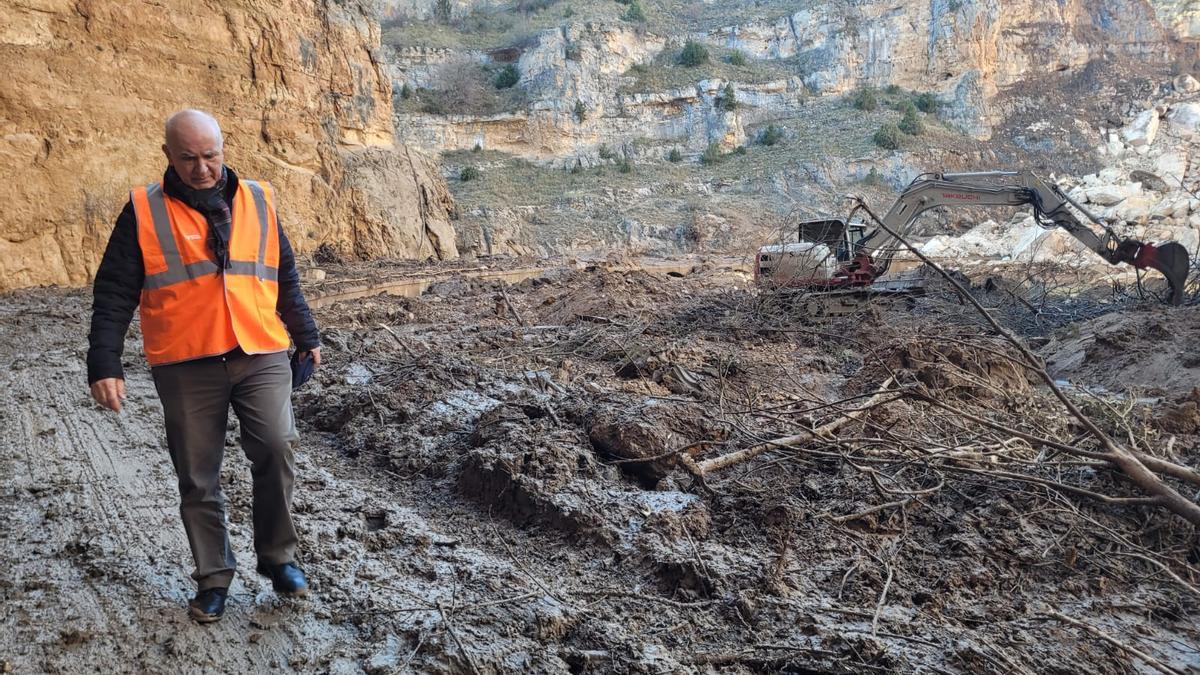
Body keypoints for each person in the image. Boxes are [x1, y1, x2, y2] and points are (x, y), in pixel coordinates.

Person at [87, 109, 322, 623]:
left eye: (210, 156)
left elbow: (283, 274)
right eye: (189, 158)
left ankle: (280, 559)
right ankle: (214, 579)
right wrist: (104, 362)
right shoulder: (143, 211)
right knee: (197, 477)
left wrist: (305, 336)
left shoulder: (257, 199)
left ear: (224, 148)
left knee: (278, 446)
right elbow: (113, 293)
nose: (202, 168)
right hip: (187, 362)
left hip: (259, 349)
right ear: (168, 154)